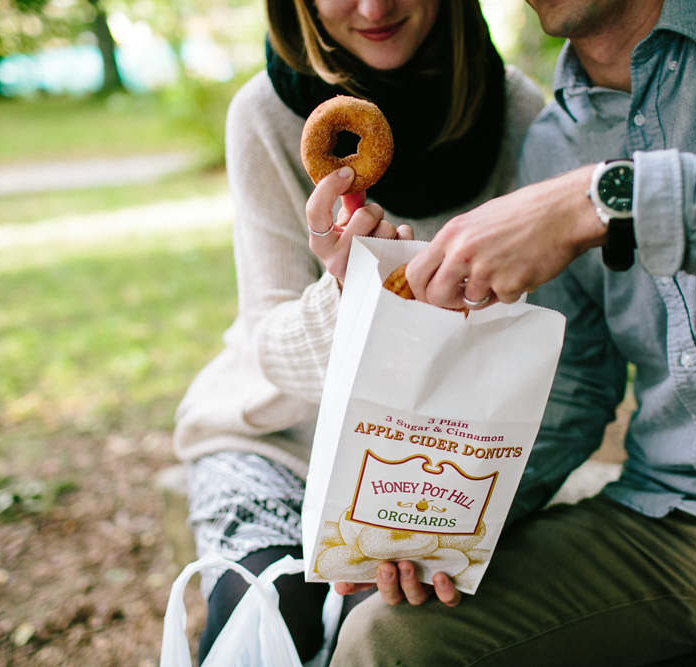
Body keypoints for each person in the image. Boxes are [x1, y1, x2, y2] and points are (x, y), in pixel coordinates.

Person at [330, 0, 696, 664]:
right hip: (655, 527)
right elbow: (575, 386)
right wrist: (438, 524)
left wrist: (603, 198)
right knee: (385, 639)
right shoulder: (556, 140)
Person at [171, 0, 544, 662]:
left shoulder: (520, 117)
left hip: (429, 458)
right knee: (259, 622)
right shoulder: (266, 113)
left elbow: (532, 360)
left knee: (379, 631)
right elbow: (269, 344)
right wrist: (348, 290)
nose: (374, 7)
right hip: (278, 434)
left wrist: (432, 516)